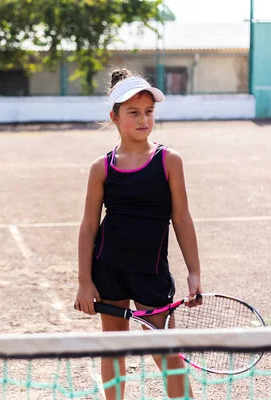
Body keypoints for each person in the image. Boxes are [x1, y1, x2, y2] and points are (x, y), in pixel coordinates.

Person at [74, 68, 203, 400]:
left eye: (149, 111)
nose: (143, 119)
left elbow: (182, 218)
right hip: (109, 270)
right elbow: (89, 227)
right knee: (114, 350)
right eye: (133, 112)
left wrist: (194, 272)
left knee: (167, 354)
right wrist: (84, 282)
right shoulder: (101, 168)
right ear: (115, 117)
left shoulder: (169, 161)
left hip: (151, 273)